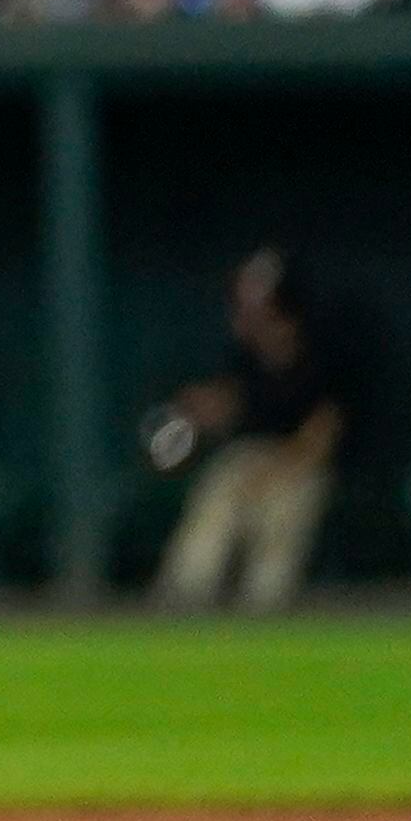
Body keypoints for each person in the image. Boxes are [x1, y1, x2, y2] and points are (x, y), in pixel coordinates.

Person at [150, 245, 345, 611]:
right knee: (220, 489)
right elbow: (233, 406)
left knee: (285, 515)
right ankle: (181, 606)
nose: (245, 309)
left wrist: (277, 469)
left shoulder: (320, 352)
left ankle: (264, 615)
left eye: (258, 299)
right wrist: (201, 411)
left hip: (298, 466)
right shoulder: (241, 355)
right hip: (249, 460)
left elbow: (323, 434)